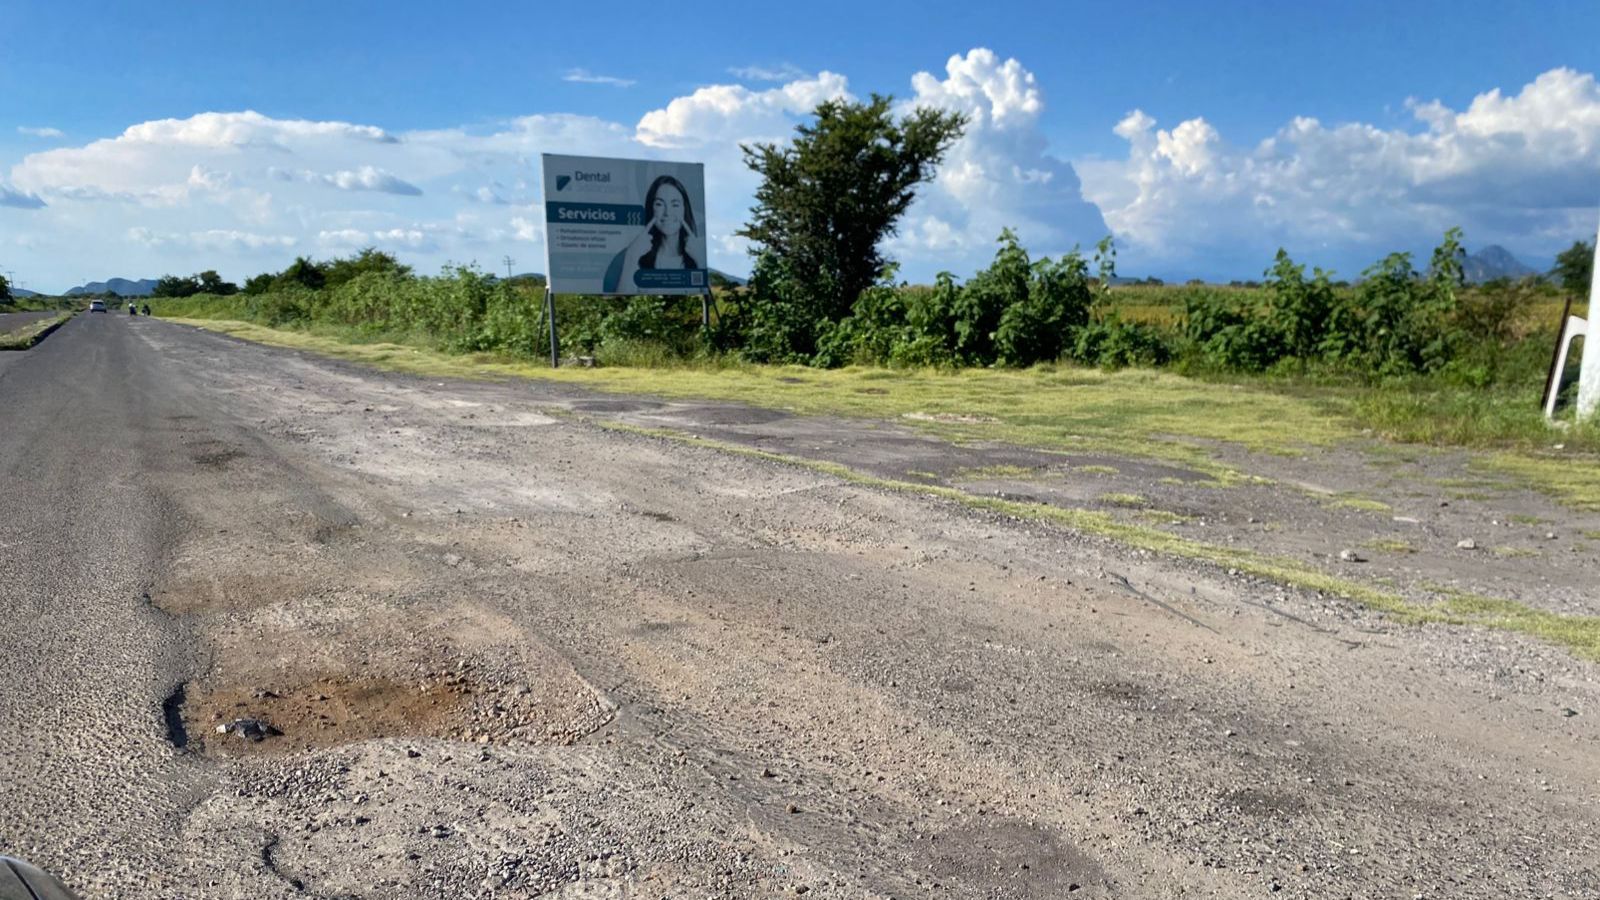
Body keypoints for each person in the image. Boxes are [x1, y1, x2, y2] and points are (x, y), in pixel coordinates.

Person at [603, 175, 700, 293]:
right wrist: (632, 256)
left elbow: (710, 297)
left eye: (675, 204)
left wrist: (700, 260)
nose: (667, 212)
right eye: (659, 204)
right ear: (651, 208)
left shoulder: (698, 256)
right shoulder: (633, 254)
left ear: (685, 209)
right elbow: (622, 299)